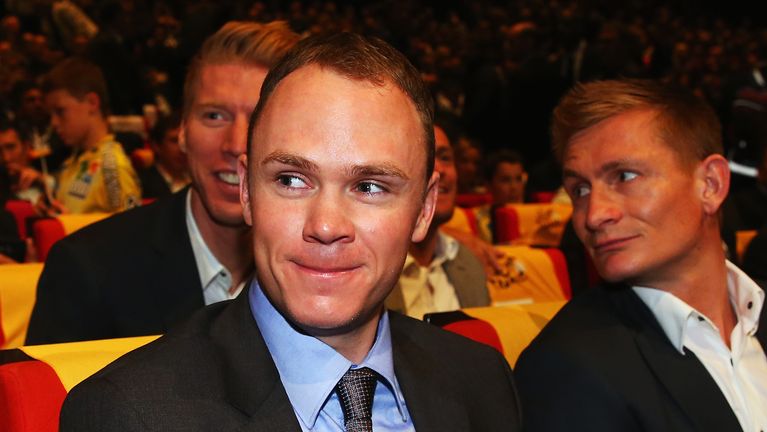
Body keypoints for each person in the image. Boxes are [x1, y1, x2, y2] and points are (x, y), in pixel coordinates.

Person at [60, 32, 522, 431]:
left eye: (369, 186)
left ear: (425, 208)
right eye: (291, 180)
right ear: (246, 190)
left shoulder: (483, 382)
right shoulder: (129, 416)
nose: (325, 225)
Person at [514, 79, 767, 431]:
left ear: (710, 184)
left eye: (624, 176)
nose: (593, 214)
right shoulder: (567, 365)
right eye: (580, 190)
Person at [25, 21, 300, 345]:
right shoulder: (87, 271)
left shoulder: (328, 269)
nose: (236, 143)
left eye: (259, 118)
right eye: (214, 116)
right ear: (182, 130)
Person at [386, 124, 490, 319]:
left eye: (445, 157)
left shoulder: (468, 262)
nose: (440, 169)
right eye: (426, 156)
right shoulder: (369, 269)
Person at [42, 57, 141, 214]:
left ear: (92, 103)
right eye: (51, 115)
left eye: (60, 111)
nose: (53, 123)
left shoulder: (111, 167)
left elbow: (133, 231)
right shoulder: (72, 161)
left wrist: (68, 224)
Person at [137, 112, 189, 199]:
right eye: (174, 141)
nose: (182, 148)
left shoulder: (200, 179)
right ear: (156, 146)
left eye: (186, 140)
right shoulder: (141, 184)